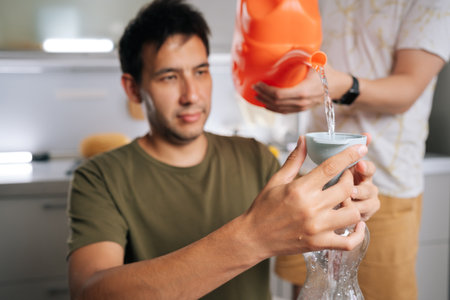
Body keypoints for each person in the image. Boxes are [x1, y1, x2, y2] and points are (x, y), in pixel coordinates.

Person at [66, 0, 380, 299]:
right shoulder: (98, 178)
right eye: (170, 77)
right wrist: (254, 237)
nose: (191, 95)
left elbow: (321, 243)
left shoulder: (254, 157)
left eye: (200, 71)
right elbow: (92, 293)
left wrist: (345, 205)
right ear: (133, 88)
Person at [252, 0, 450, 299]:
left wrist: (345, 86)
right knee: (312, 286)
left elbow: (408, 88)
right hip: (311, 180)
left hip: (384, 184)